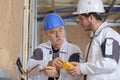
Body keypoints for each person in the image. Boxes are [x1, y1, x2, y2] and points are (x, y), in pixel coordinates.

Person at [67, 0, 120, 80]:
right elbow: (93, 68)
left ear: (91, 18)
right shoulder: (95, 38)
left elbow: (110, 64)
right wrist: (78, 67)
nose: (80, 23)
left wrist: (82, 68)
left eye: (81, 19)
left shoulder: (108, 36)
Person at [27, 13, 83, 80]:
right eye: (53, 32)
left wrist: (58, 75)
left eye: (60, 30)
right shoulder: (41, 49)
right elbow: (28, 68)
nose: (58, 35)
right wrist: (49, 63)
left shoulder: (73, 50)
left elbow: (77, 75)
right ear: (47, 34)